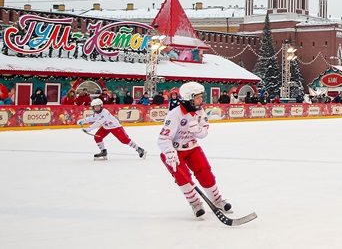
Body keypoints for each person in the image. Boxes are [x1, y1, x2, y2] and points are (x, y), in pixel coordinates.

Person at [157, 81, 232, 218]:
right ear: (189, 98)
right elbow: (163, 139)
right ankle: (195, 204)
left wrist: (197, 129)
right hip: (174, 152)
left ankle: (217, 200)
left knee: (205, 172)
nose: (201, 100)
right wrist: (169, 152)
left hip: (192, 147)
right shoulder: (175, 114)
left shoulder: (200, 111)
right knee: (183, 178)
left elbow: (204, 133)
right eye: (198, 97)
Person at [77, 98, 146, 160]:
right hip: (106, 127)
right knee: (97, 137)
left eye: (98, 106)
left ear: (101, 106)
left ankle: (139, 149)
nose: (96, 108)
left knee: (124, 140)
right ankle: (103, 151)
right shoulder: (96, 113)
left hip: (115, 127)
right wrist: (83, 120)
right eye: (95, 107)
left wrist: (88, 129)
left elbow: (98, 122)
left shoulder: (105, 113)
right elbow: (92, 118)